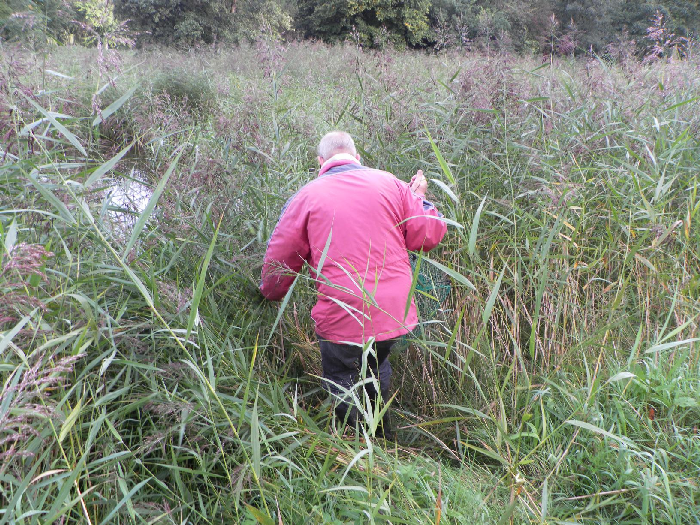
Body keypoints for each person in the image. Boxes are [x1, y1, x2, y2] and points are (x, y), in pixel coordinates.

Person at [260, 131, 447, 439]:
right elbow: (426, 236)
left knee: (345, 380)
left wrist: (268, 293)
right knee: (376, 365)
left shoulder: (307, 196)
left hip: (344, 315)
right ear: (357, 158)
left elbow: (280, 262)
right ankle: (383, 441)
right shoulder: (392, 184)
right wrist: (418, 197)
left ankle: (358, 452)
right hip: (392, 313)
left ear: (320, 162)